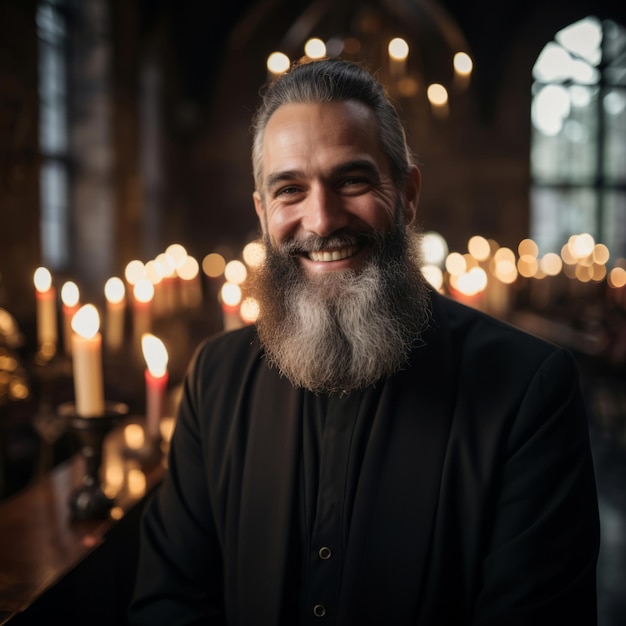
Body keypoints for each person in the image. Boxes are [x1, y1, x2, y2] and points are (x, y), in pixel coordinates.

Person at [129, 58, 600, 625]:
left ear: (407, 194)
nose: (322, 220)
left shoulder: (530, 389)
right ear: (262, 214)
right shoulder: (216, 378)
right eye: (289, 190)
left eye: (351, 180)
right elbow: (168, 600)